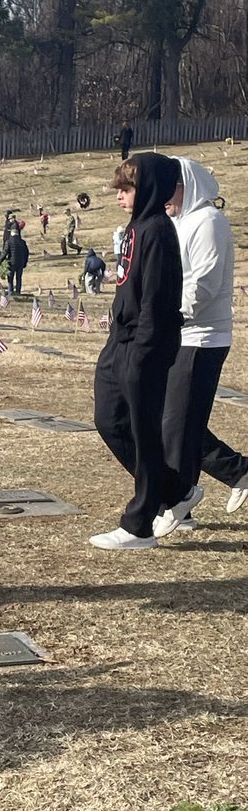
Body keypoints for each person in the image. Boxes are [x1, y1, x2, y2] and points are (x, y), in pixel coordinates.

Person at [90, 153, 185, 550]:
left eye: (127, 189)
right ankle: (175, 491)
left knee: (145, 431)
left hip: (146, 343)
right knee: (109, 418)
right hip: (121, 338)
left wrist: (143, 353)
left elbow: (158, 301)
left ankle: (139, 525)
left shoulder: (158, 232)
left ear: (146, 190)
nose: (119, 196)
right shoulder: (135, 229)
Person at [153, 158, 248, 535]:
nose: (163, 199)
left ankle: (177, 502)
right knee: (178, 421)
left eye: (168, 189)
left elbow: (203, 286)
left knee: (176, 424)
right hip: (182, 334)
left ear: (186, 185)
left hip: (202, 337)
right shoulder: (182, 221)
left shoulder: (208, 222)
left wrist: (166, 316)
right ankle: (233, 473)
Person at [1, 225, 29, 294]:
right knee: (18, 278)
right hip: (20, 263)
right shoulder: (22, 242)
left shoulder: (9, 242)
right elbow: (26, 253)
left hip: (11, 262)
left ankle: (10, 292)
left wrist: (1, 260)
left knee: (10, 278)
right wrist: (25, 262)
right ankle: (18, 292)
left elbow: (5, 252)